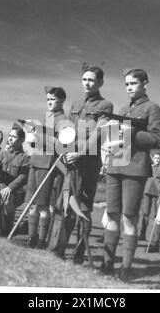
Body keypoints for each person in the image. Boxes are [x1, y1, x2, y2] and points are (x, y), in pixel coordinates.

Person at [101, 68, 160, 283]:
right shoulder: (122, 109)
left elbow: (157, 140)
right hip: (116, 165)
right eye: (126, 84)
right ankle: (106, 265)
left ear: (145, 83)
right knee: (111, 215)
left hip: (135, 168)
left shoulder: (152, 108)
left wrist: (133, 133)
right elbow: (115, 138)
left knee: (129, 217)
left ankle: (125, 269)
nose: (129, 87)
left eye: (133, 83)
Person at [62, 64, 113, 264]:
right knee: (67, 203)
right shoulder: (75, 104)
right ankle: (60, 248)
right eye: (84, 79)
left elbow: (99, 134)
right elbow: (66, 129)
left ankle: (79, 253)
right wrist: (66, 150)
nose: (87, 83)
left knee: (83, 206)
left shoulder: (105, 106)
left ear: (100, 82)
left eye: (91, 80)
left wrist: (80, 154)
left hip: (88, 162)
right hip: (70, 161)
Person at [25, 86, 68, 249]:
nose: (49, 102)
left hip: (47, 165)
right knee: (32, 204)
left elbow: (61, 146)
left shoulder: (64, 121)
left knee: (42, 205)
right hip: (36, 162)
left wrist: (38, 136)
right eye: (48, 100)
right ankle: (31, 237)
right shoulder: (47, 118)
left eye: (53, 99)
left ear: (62, 100)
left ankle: (42, 240)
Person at [0, 123, 30, 235]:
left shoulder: (25, 157)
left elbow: (23, 176)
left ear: (22, 139)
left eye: (14, 136)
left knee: (7, 197)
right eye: (10, 136)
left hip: (17, 192)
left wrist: (10, 188)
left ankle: (5, 229)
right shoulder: (3, 154)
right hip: (2, 188)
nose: (10, 138)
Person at [138, 152, 160, 241]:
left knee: (155, 215)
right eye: (155, 158)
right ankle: (142, 234)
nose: (156, 159)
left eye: (158, 158)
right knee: (145, 213)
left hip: (156, 193)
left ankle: (154, 237)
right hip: (147, 192)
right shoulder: (149, 168)